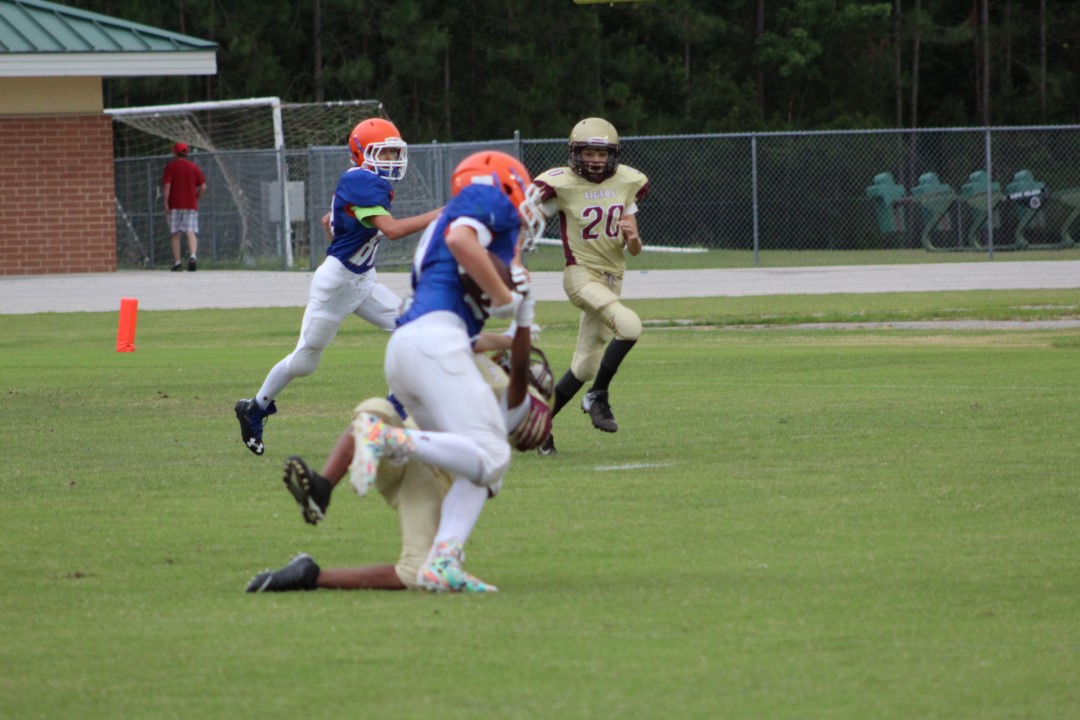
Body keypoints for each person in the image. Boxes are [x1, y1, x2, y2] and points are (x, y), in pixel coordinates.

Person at [339, 150, 544, 593]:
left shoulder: (462, 229)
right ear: (502, 184)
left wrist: (519, 323)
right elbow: (461, 241)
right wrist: (505, 299)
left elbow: (472, 330)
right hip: (434, 342)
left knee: (479, 465)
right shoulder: (483, 200)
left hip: (415, 348)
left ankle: (442, 561)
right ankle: (385, 438)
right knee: (493, 452)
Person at [244, 322, 553, 594]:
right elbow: (481, 351)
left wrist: (511, 335)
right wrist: (517, 329)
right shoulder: (497, 387)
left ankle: (309, 575)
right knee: (376, 413)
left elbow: (476, 347)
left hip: (426, 477)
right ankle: (321, 488)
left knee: (417, 572)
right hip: (405, 455)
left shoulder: (492, 386)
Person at [234, 118, 442, 456]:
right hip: (337, 284)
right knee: (305, 361)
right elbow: (391, 230)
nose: (392, 159)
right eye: (384, 152)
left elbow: (328, 221)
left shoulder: (366, 182)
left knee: (415, 331)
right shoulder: (360, 180)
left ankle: (394, 414)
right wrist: (443, 213)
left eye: (394, 152)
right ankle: (253, 408)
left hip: (363, 279)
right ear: (362, 154)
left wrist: (344, 233)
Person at [531, 117, 650, 456]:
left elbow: (634, 248)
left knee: (584, 366)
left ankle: (539, 426)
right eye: (589, 153)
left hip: (612, 280)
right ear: (575, 153)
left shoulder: (626, 181)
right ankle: (598, 396)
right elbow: (530, 218)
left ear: (612, 155)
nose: (596, 160)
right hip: (581, 276)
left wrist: (633, 238)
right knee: (630, 326)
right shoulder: (562, 184)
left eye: (602, 154)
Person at [162, 142, 207, 272]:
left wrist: (166, 202)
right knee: (190, 231)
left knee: (175, 233)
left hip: (174, 204)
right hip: (190, 204)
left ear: (175, 152)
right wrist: (196, 197)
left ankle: (177, 263)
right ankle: (193, 256)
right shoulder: (194, 167)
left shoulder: (171, 167)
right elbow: (203, 186)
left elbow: (167, 186)